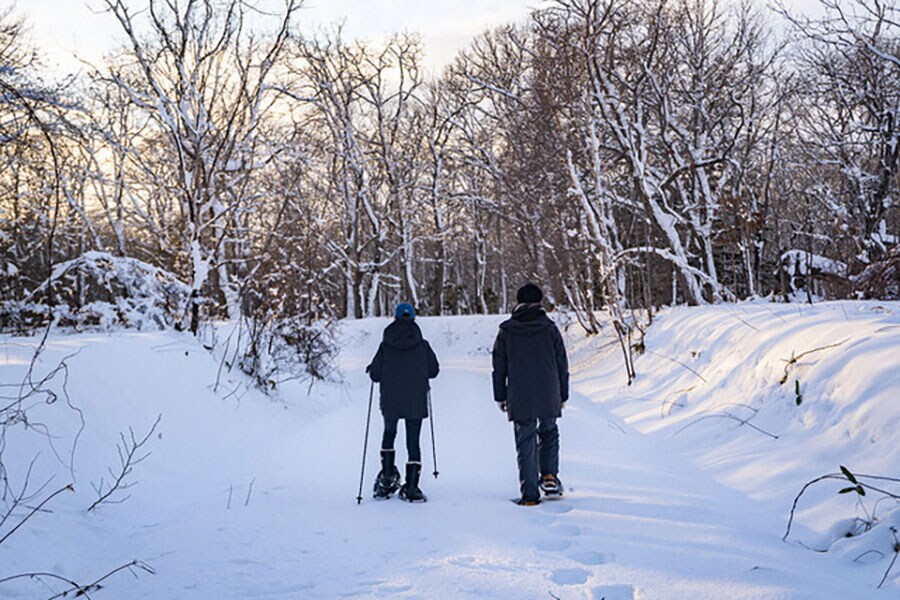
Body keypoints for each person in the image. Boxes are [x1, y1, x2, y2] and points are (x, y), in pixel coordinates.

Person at [492, 283, 569, 506]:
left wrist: (500, 395)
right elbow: (561, 363)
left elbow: (499, 366)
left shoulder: (507, 330)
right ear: (540, 302)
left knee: (525, 440)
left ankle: (530, 495)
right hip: (548, 390)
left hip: (520, 392)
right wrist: (563, 394)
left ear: (518, 302)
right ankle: (549, 477)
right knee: (549, 432)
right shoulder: (550, 328)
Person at [366, 303, 440, 502]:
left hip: (391, 399)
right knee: (413, 442)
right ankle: (412, 488)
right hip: (415, 399)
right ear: (413, 318)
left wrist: (373, 368)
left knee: (389, 433)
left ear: (395, 318)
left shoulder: (385, 344)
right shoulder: (422, 344)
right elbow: (433, 371)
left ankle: (387, 479)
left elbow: (375, 374)